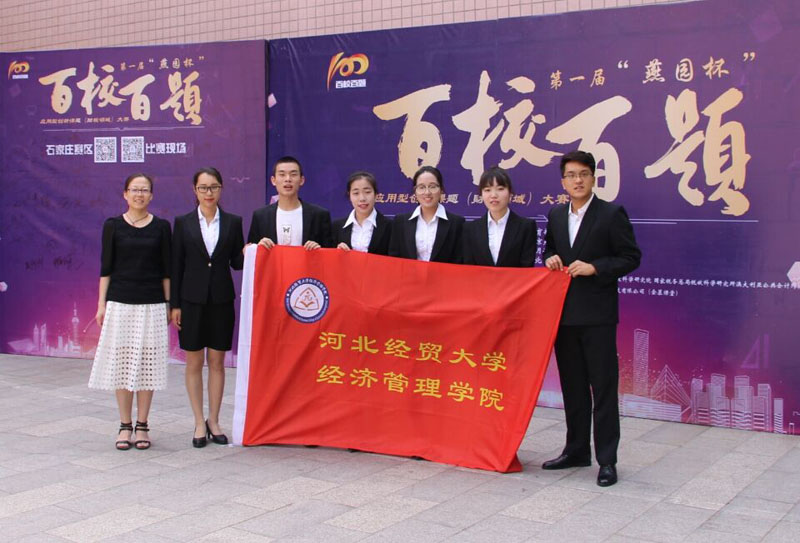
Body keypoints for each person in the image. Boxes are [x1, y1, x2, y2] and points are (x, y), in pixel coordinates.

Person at [541, 150, 641, 487]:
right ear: (563, 182)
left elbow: (630, 257)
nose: (577, 180)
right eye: (571, 175)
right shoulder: (556, 214)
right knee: (573, 388)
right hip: (564, 316)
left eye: (583, 174)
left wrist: (595, 267)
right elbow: (550, 249)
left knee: (603, 388)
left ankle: (607, 460)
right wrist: (550, 258)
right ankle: (576, 450)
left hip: (598, 316)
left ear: (593, 178)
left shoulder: (611, 214)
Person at [89, 173, 171, 451]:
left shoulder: (161, 227)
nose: (139, 194)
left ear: (152, 195)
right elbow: (106, 268)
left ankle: (143, 424)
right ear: (125, 194)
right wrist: (101, 304)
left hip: (152, 304)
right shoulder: (112, 225)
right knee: (122, 365)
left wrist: (168, 304)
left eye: (144, 190)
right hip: (120, 302)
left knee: (147, 366)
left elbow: (166, 270)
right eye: (135, 190)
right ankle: (125, 425)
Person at [171, 167, 245, 448]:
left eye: (213, 187)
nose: (208, 192)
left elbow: (237, 263)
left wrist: (251, 251)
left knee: (217, 363)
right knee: (193, 363)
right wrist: (175, 304)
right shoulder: (183, 223)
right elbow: (176, 265)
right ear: (195, 190)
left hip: (222, 301)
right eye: (203, 187)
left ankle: (214, 420)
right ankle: (198, 422)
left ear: (221, 189)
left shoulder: (234, 222)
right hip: (190, 301)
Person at [247, 156, 332, 250]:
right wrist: (258, 247)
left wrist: (319, 250)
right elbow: (251, 253)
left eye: (293, 174)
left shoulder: (319, 215)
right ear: (273, 180)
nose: (288, 179)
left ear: (301, 180)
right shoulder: (261, 216)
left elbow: (330, 252)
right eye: (282, 174)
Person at [462, 166, 536, 267]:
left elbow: (526, 266)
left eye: (500, 189)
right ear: (481, 194)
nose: (493, 195)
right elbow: (469, 267)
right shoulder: (470, 229)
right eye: (487, 190)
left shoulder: (526, 227)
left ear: (510, 193)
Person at [388, 165, 464, 263]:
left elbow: (459, 261)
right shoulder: (400, 222)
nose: (427, 192)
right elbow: (394, 259)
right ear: (415, 191)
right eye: (421, 187)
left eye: (432, 187)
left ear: (441, 190)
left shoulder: (457, 223)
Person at [333, 171, 391, 255]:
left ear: (376, 195)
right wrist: (337, 252)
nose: (362, 198)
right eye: (356, 193)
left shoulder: (390, 226)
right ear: (349, 196)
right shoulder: (336, 227)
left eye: (367, 192)